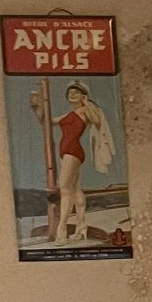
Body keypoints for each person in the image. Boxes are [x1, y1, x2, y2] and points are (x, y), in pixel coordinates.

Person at [40, 81, 116, 244]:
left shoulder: (86, 110)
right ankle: (81, 226)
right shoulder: (69, 114)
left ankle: (61, 230)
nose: (72, 94)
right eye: (70, 92)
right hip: (66, 152)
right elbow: (47, 122)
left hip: (72, 151)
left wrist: (87, 103)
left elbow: (97, 121)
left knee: (65, 190)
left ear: (83, 95)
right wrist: (37, 108)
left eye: (76, 92)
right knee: (75, 189)